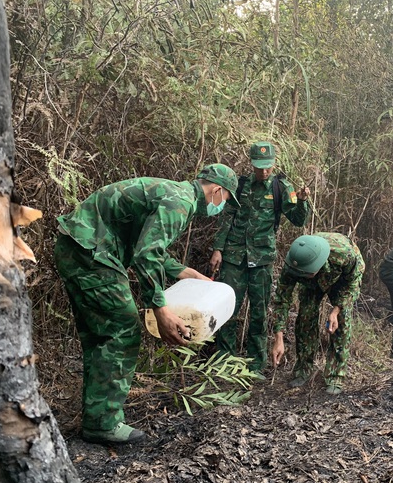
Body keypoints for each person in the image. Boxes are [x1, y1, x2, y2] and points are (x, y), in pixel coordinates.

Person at [54, 164, 239, 445]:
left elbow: (147, 248)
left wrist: (191, 274)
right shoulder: (181, 203)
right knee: (123, 331)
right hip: (93, 255)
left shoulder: (174, 193)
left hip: (77, 247)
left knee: (102, 335)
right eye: (225, 199)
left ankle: (97, 417)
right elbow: (146, 256)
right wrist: (160, 310)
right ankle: (102, 423)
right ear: (217, 190)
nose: (222, 207)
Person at [210, 142, 310, 378]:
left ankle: (255, 366)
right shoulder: (241, 185)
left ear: (274, 163)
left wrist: (303, 200)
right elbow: (227, 216)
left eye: (267, 167)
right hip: (234, 256)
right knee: (227, 309)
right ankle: (224, 363)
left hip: (262, 258)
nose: (263, 172)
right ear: (251, 163)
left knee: (259, 312)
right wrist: (218, 249)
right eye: (258, 167)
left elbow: (297, 220)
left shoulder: (282, 188)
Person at [271, 233, 364, 395]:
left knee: (341, 322)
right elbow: (282, 299)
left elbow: (353, 284)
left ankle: (336, 375)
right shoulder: (293, 263)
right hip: (311, 287)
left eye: (307, 273)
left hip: (340, 280)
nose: (303, 275)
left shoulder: (345, 254)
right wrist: (278, 337)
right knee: (305, 319)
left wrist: (336, 310)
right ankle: (303, 370)